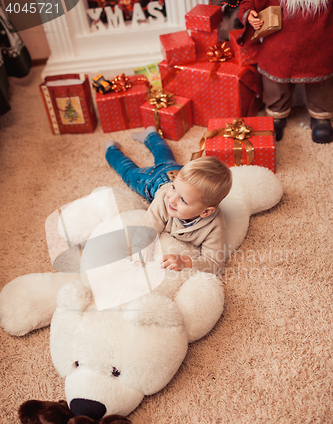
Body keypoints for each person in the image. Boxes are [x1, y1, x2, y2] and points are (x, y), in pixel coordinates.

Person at [104, 127, 232, 274]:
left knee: (165, 159)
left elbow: (214, 263)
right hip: (154, 181)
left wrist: (188, 262)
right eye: (174, 189)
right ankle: (112, 149)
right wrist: (143, 247)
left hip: (177, 175)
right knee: (128, 172)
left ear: (206, 211)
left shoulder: (215, 227)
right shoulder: (164, 198)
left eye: (183, 200)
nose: (171, 198)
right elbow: (149, 224)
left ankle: (151, 135)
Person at [238, 0, 333, 142]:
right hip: (280, 40)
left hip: (320, 40)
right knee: (276, 73)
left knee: (321, 76)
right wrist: (249, 12)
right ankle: (277, 112)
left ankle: (321, 114)